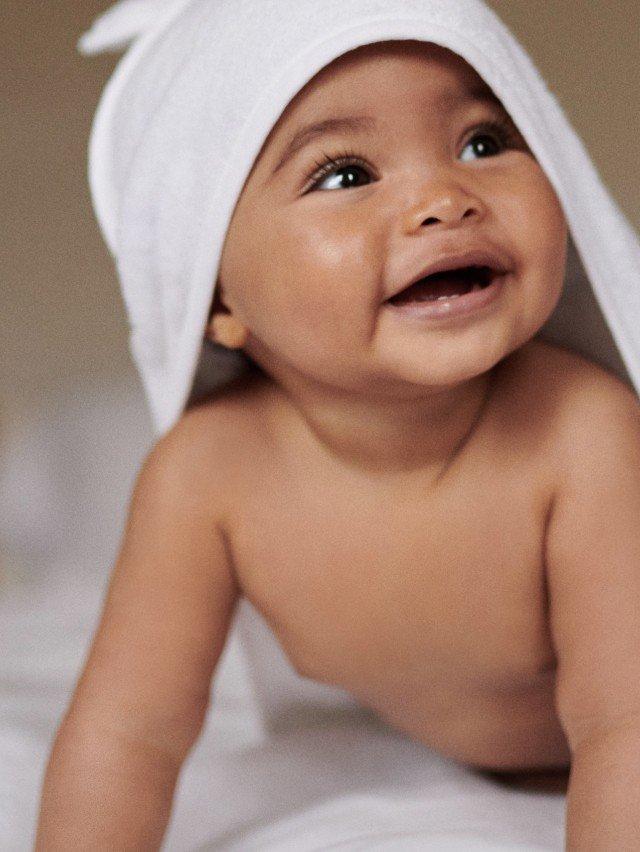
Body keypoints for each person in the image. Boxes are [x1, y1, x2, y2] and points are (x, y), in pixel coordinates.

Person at [36, 2, 640, 848]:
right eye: (346, 174)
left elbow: (624, 722)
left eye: (484, 141)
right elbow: (130, 731)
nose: (444, 197)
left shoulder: (582, 435)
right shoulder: (209, 478)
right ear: (214, 296)